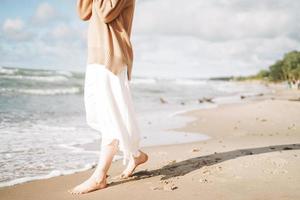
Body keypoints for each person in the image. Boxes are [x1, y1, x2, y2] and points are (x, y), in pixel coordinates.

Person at [69, 0, 148, 194]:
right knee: (103, 113)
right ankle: (135, 155)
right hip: (96, 58)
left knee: (110, 117)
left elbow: (106, 12)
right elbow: (83, 12)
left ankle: (99, 176)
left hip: (112, 57)